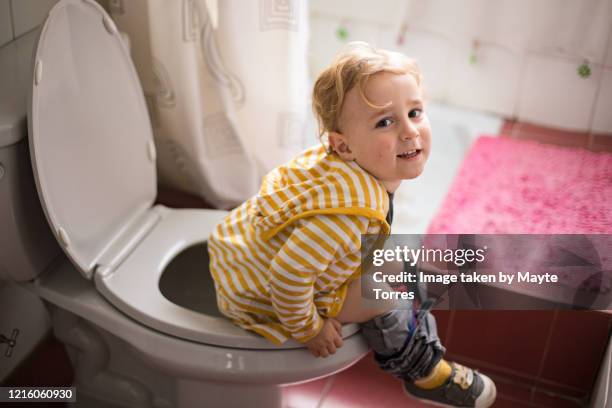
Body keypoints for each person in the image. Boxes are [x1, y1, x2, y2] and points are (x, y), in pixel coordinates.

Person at [208, 41, 496, 407]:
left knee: (404, 272)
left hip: (248, 252)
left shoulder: (349, 169)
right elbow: (287, 275)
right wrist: (309, 328)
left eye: (415, 112)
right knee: (385, 300)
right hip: (262, 289)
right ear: (343, 146)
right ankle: (423, 373)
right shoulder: (345, 218)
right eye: (385, 122)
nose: (409, 132)